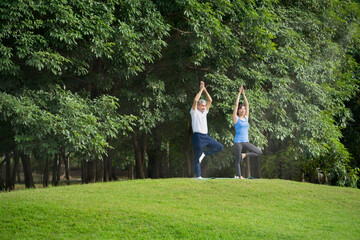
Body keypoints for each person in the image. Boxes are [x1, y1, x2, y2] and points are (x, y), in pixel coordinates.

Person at [190, 81, 223, 179]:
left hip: (206, 137)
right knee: (197, 158)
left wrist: (204, 89)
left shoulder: (205, 112)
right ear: (199, 106)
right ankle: (198, 176)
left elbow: (210, 100)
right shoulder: (194, 112)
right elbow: (195, 100)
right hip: (198, 137)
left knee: (219, 147)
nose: (204, 107)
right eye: (202, 105)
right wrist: (200, 90)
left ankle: (204, 154)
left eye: (205, 106)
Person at [233, 86, 262, 179]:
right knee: (237, 160)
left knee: (259, 152)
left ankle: (244, 155)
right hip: (238, 142)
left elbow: (247, 104)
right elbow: (236, 105)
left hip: (245, 141)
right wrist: (238, 94)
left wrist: (243, 93)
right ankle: (240, 176)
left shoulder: (246, 118)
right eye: (241, 109)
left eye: (244, 109)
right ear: (238, 111)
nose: (243, 110)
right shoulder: (236, 118)